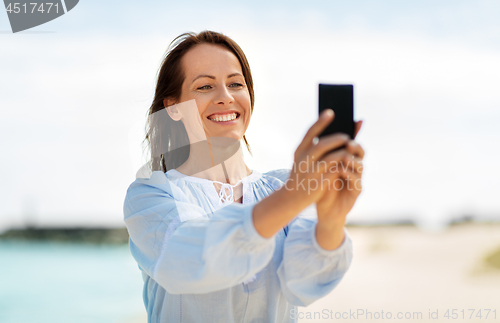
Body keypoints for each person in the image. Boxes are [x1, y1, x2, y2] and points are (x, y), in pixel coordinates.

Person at [123, 30, 365, 323]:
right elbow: (187, 259)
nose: (225, 97)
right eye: (205, 87)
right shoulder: (151, 195)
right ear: (174, 108)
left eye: (235, 84)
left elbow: (305, 284)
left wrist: (331, 220)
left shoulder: (281, 186)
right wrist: (294, 196)